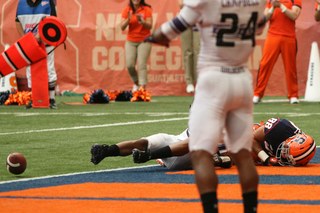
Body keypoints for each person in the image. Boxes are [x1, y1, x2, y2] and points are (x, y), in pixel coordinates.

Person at [142, 0, 267, 212]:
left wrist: (152, 38)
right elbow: (261, 23)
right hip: (242, 80)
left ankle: (211, 208)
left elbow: (170, 30)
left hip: (214, 80)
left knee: (200, 153)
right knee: (243, 154)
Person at [90, 128, 232, 170]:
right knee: (142, 142)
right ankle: (106, 152)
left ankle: (148, 156)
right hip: (174, 141)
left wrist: (218, 159)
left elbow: (229, 160)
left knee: (195, 141)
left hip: (188, 157)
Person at [253, 0, 302, 105]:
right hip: (273, 36)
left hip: (289, 37)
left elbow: (294, 15)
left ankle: (293, 95)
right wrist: (273, 7)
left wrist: (281, 6)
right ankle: (257, 94)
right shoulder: (271, 1)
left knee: (290, 67)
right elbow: (265, 17)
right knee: (265, 64)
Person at [15, 0, 58, 109]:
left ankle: (51, 99)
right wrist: (25, 39)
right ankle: (34, 100)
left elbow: (53, 21)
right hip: (30, 44)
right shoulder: (21, 3)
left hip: (46, 42)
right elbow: (17, 22)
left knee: (49, 68)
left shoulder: (48, 2)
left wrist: (40, 36)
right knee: (30, 70)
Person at [252, 117, 316, 166]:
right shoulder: (279, 127)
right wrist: (266, 159)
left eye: (288, 158)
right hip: (257, 141)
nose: (283, 155)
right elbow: (251, 138)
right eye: (286, 151)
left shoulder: (301, 157)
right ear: (289, 140)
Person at [121, 0, 153, 92]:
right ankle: (137, 84)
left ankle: (142, 90)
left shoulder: (146, 9)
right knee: (130, 65)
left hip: (144, 40)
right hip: (131, 40)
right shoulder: (127, 10)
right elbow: (122, 27)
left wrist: (142, 21)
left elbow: (150, 26)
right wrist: (128, 19)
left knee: (141, 65)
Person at [177, 0, 200, 93]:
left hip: (198, 20)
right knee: (187, 51)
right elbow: (181, 5)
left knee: (198, 51)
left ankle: (199, 82)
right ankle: (189, 82)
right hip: (185, 20)